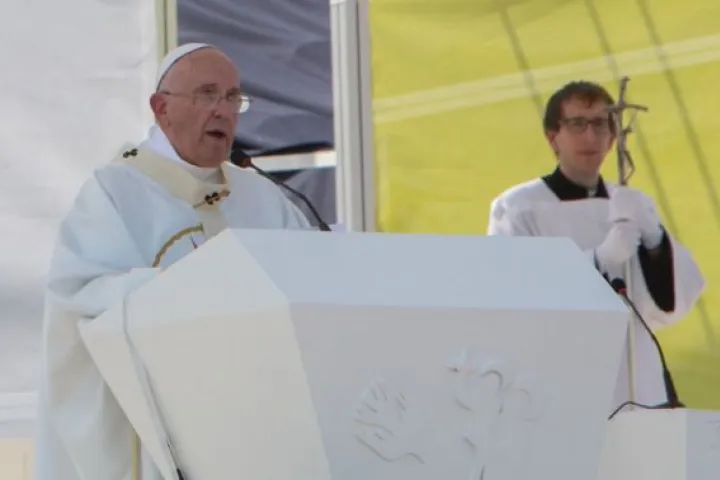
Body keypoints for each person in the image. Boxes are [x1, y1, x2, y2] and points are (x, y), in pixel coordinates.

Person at [34, 43, 312, 480]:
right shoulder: (116, 192)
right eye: (206, 94)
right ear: (161, 108)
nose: (223, 110)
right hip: (163, 425)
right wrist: (185, 293)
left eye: (232, 98)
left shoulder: (263, 196)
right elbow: (79, 295)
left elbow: (311, 282)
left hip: (256, 419)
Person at [486, 80, 704, 411]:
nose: (590, 137)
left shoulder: (631, 203)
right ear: (552, 137)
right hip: (562, 368)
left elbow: (674, 299)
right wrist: (599, 261)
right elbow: (516, 291)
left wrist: (656, 244)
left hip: (635, 370)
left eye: (600, 124)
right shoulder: (519, 207)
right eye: (577, 124)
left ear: (613, 137)